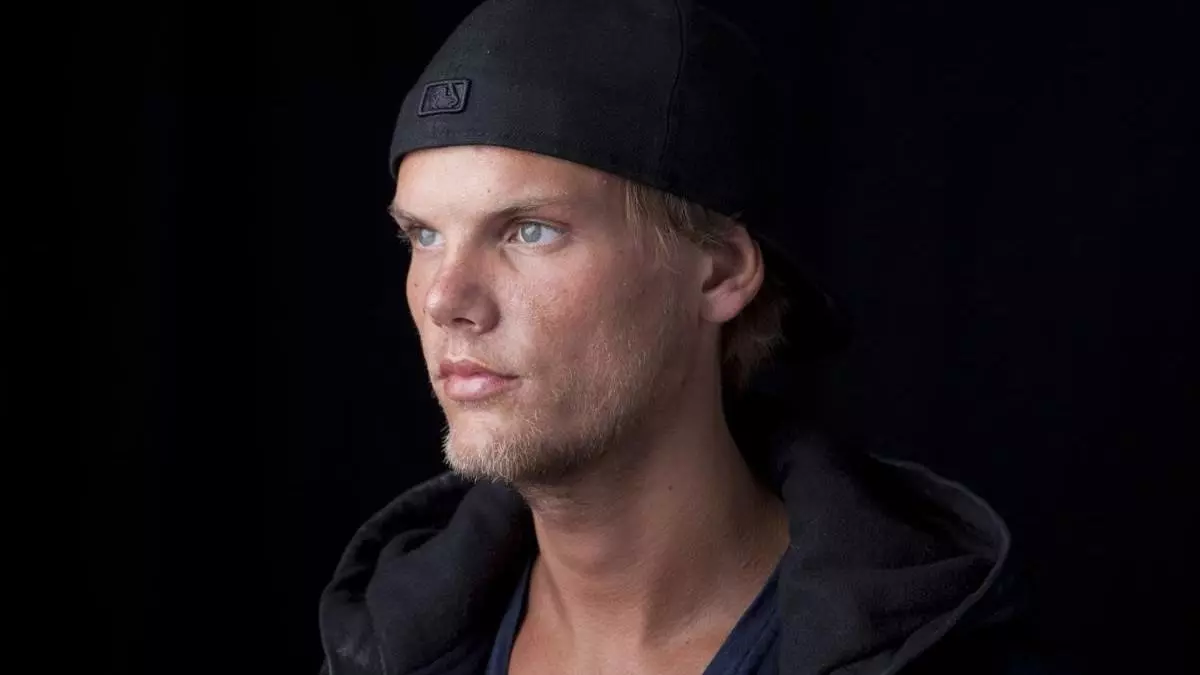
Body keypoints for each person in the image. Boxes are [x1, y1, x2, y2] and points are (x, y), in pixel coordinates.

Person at [318, 1, 1054, 674]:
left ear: (720, 272)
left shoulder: (938, 656)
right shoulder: (386, 649)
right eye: (423, 236)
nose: (446, 300)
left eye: (530, 230)